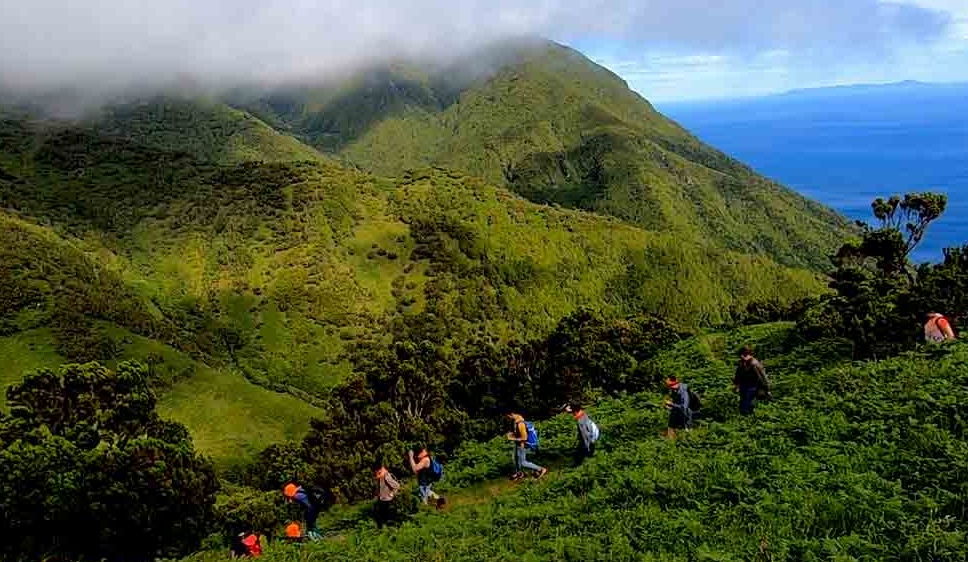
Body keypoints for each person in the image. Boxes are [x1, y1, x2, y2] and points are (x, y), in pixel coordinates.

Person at [506, 413, 547, 481]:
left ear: (513, 414)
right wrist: (512, 434)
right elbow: (518, 433)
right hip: (519, 444)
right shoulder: (517, 421)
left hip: (523, 445)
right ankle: (519, 473)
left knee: (523, 463)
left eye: (509, 416)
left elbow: (524, 438)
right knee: (515, 459)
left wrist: (512, 438)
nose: (509, 418)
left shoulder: (521, 424)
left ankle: (540, 469)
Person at [734, 346, 770, 416]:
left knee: (747, 405)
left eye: (745, 354)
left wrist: (766, 389)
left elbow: (762, 377)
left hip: (753, 386)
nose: (743, 357)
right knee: (743, 404)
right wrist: (736, 384)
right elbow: (738, 374)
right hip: (743, 386)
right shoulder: (741, 363)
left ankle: (749, 417)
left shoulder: (754, 364)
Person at [373, 463, 400, 529]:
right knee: (381, 515)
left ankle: (388, 528)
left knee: (385, 516)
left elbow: (396, 486)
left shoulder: (386, 475)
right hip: (381, 498)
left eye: (376, 471)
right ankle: (382, 528)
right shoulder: (380, 475)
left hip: (387, 499)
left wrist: (392, 494)